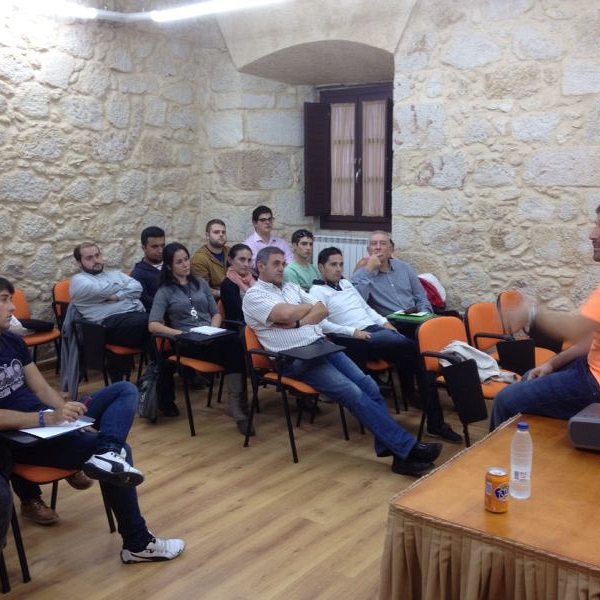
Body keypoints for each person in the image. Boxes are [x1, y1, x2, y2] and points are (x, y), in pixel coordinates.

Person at [0, 277, 184, 563]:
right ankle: (137, 543)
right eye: (4, 300)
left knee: (123, 390)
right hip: (23, 439)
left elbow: (41, 388)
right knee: (123, 453)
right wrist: (46, 418)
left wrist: (65, 410)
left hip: (48, 423)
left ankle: (105, 452)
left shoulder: (12, 340)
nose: (13, 307)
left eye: (11, 299)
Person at [242, 246, 443, 476]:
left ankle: (397, 451)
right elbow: (285, 314)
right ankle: (407, 449)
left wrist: (298, 320)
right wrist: (302, 311)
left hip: (320, 345)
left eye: (283, 264)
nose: (281, 268)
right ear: (261, 266)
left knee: (369, 385)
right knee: (353, 392)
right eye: (276, 264)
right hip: (293, 357)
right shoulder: (254, 296)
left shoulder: (291, 287)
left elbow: (322, 309)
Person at [309, 247, 461, 444]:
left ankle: (434, 420)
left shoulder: (346, 283)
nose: (338, 269)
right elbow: (321, 323)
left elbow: (366, 309)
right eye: (333, 265)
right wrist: (352, 332)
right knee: (420, 355)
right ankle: (435, 421)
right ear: (321, 267)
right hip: (355, 338)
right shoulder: (317, 291)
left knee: (420, 359)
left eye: (340, 264)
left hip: (375, 331)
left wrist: (384, 322)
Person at [489, 206, 600, 430]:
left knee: (505, 401)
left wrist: (530, 313)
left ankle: (500, 453)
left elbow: (576, 329)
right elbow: (589, 338)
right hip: (589, 368)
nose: (592, 234)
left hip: (594, 383)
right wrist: (551, 363)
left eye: (599, 227)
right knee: (531, 375)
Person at [149, 242, 252, 435]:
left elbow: (216, 313)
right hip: (187, 341)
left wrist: (213, 329)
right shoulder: (165, 291)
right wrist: (180, 334)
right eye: (179, 262)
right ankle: (239, 409)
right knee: (235, 348)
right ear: (169, 266)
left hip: (209, 335)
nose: (185, 265)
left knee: (236, 345)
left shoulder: (201, 284)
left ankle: (236, 405)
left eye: (186, 259)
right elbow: (153, 324)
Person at [351, 231, 432, 316]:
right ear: (368, 250)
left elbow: (420, 296)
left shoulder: (405, 267)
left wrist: (425, 314)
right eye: (374, 244)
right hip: (390, 321)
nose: (378, 247)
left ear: (390, 249)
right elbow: (357, 303)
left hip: (415, 317)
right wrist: (369, 270)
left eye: (383, 243)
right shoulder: (361, 275)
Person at [190, 219, 230, 299]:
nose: (221, 235)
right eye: (216, 232)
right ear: (207, 235)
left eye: (223, 232)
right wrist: (224, 293)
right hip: (215, 301)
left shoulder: (230, 251)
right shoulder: (199, 259)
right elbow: (202, 289)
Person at [130, 226, 166, 312]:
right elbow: (145, 301)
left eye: (162, 246)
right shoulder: (138, 274)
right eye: (155, 247)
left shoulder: (172, 265)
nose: (160, 251)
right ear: (143, 248)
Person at [219, 243, 255, 322]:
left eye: (249, 260)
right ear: (230, 260)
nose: (246, 264)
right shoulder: (228, 284)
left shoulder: (253, 279)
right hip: (241, 326)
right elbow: (237, 314)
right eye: (242, 259)